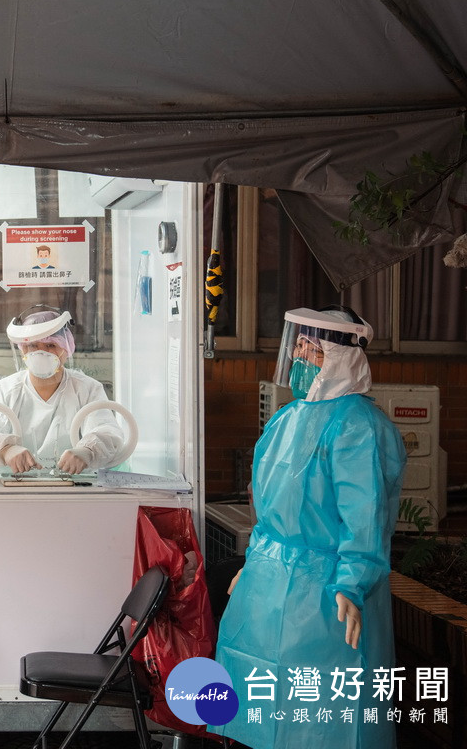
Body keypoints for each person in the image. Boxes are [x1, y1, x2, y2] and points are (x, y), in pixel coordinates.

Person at [215, 306, 406, 749]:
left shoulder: (359, 426)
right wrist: (257, 560)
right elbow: (269, 505)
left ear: (341, 356)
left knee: (325, 713)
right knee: (263, 707)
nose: (299, 355)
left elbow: (366, 516)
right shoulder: (287, 418)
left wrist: (352, 584)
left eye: (310, 347)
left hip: (326, 592)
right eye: (296, 345)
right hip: (268, 582)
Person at [0, 305, 124, 474]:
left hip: (74, 486)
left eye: (51, 346)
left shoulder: (87, 389)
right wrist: (6, 450)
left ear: (66, 348)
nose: (41, 353)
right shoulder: (4, 390)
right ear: (22, 349)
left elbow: (108, 432)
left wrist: (88, 451)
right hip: (10, 485)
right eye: (32, 346)